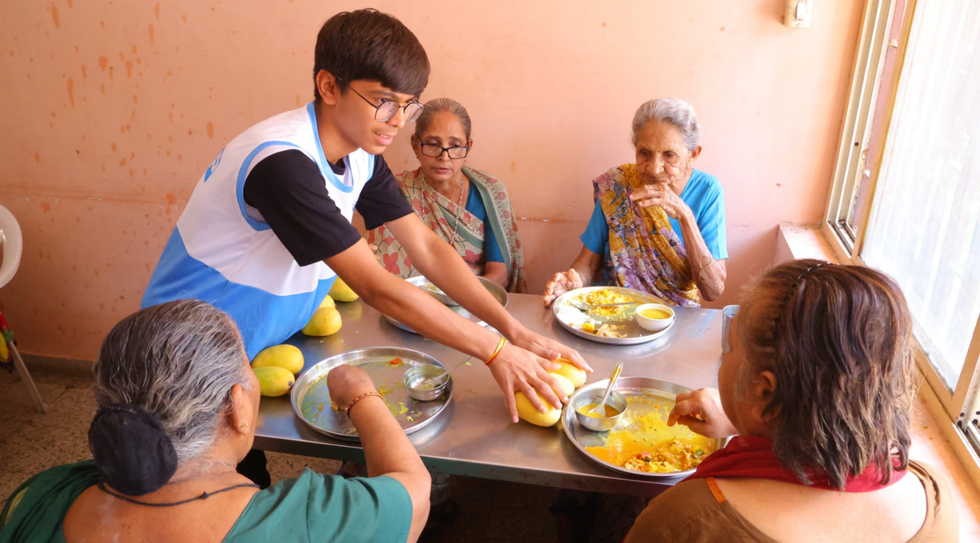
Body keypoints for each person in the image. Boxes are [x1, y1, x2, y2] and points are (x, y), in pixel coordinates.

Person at [139, 10, 588, 428]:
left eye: (408, 104)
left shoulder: (361, 155)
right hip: (178, 356)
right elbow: (376, 286)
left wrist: (512, 330)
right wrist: (495, 352)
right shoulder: (282, 164)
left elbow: (428, 247)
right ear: (329, 87)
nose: (397, 121)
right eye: (383, 100)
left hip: (236, 349)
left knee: (238, 478)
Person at [0, 300, 431, 543]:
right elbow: (414, 492)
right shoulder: (309, 523)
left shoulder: (41, 496)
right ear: (236, 407)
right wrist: (360, 392)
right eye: (247, 363)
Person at [624, 260, 957, 542]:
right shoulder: (933, 497)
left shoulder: (684, 521)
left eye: (730, 349)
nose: (723, 358)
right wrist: (742, 418)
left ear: (765, 391)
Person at [543, 98, 727, 307]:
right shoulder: (617, 186)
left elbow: (713, 290)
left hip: (675, 316)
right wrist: (573, 283)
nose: (654, 168)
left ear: (693, 154)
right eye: (645, 153)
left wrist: (685, 217)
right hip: (613, 309)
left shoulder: (708, 191)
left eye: (669, 155)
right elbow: (589, 262)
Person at [366, 98, 527, 293]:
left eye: (455, 145)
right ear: (416, 146)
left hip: (473, 302)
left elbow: (499, 274)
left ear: (468, 146)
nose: (444, 157)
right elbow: (380, 269)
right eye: (433, 144)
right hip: (409, 302)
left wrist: (458, 297)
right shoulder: (394, 190)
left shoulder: (490, 193)